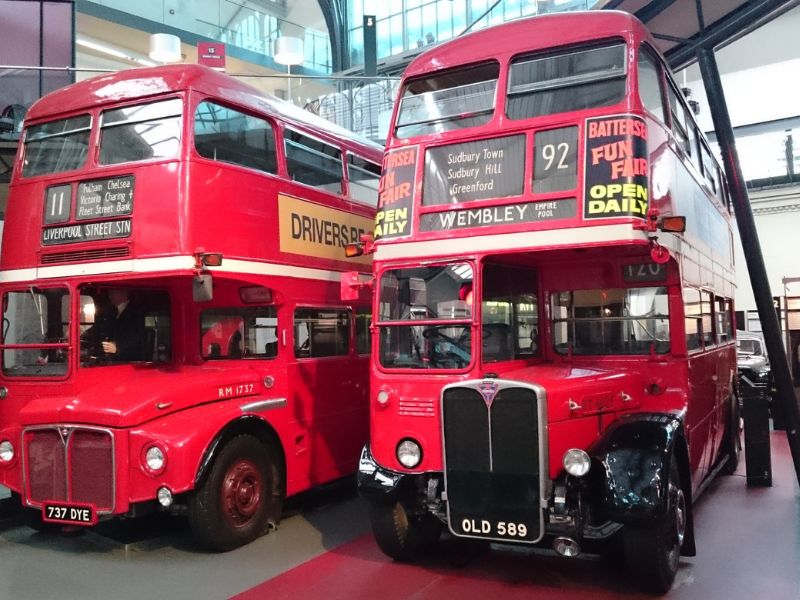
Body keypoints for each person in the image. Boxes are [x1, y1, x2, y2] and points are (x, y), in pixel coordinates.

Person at [83, 288, 145, 362]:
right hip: (112, 358)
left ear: (123, 293)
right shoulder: (111, 311)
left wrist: (118, 347)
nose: (110, 295)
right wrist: (83, 334)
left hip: (129, 360)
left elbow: (137, 334)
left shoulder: (135, 312)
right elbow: (100, 327)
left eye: (113, 292)